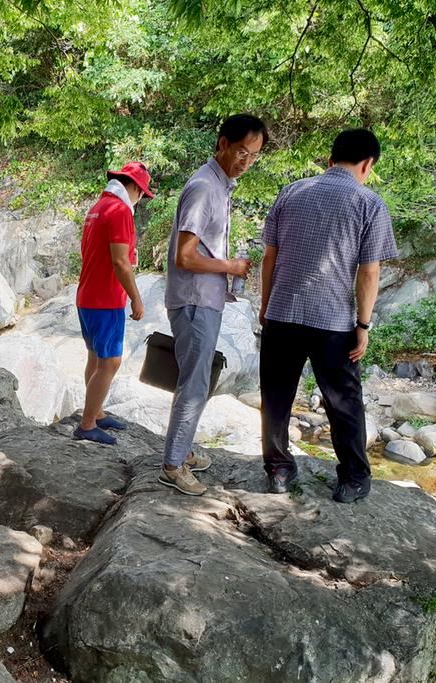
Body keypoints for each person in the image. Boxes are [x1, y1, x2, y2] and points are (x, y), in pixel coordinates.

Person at [258, 128, 398, 504]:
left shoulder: (291, 192)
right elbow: (369, 272)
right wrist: (363, 325)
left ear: (331, 158)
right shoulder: (369, 203)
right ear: (367, 163)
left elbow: (269, 256)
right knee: (343, 402)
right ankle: (353, 479)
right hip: (333, 322)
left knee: (276, 397)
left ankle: (279, 470)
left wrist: (265, 304)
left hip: (282, 313)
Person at [158, 115, 264, 495]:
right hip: (193, 300)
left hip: (205, 298)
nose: (246, 161)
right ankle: (172, 464)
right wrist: (230, 266)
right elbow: (185, 256)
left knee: (196, 378)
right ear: (222, 144)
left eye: (254, 155)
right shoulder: (204, 187)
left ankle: (182, 452)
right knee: (195, 381)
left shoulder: (220, 187)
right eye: (241, 152)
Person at [73, 162, 153, 446]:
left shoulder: (98, 207)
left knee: (95, 358)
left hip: (87, 296)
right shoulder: (119, 211)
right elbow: (121, 261)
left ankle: (96, 412)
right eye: (141, 193)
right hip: (105, 300)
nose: (140, 199)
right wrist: (136, 297)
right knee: (110, 361)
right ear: (133, 187)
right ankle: (87, 423)